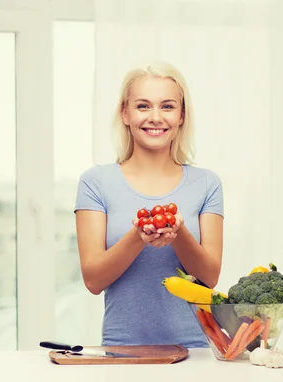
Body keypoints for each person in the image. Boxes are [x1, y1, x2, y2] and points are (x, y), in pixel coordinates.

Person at [73, 61, 224, 348]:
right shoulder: (96, 182)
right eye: (143, 106)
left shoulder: (207, 183)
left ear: (181, 115)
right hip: (122, 350)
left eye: (167, 106)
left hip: (196, 350)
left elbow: (210, 277)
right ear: (125, 114)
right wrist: (137, 236)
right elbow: (93, 281)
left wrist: (178, 234)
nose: (155, 117)